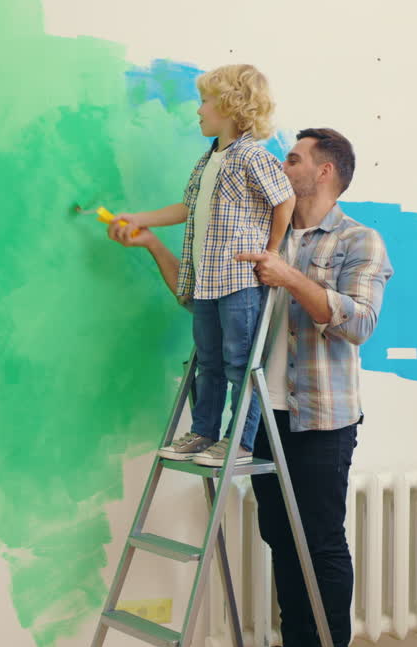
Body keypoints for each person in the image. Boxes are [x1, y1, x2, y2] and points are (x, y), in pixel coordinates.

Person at [111, 128, 392, 647]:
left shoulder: (358, 241)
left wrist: (288, 277)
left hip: (321, 419)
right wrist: (153, 247)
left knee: (320, 540)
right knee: (277, 536)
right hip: (262, 414)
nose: (280, 163)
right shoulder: (260, 230)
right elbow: (200, 300)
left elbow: (359, 324)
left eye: (293, 157)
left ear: (323, 172)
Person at [110, 64, 294, 469]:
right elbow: (187, 208)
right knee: (208, 361)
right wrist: (141, 218)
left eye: (205, 102)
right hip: (207, 282)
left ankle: (238, 441)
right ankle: (203, 432)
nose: (198, 111)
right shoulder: (207, 160)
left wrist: (272, 251)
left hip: (239, 281)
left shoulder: (251, 156)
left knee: (238, 364)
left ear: (230, 106)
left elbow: (285, 200)